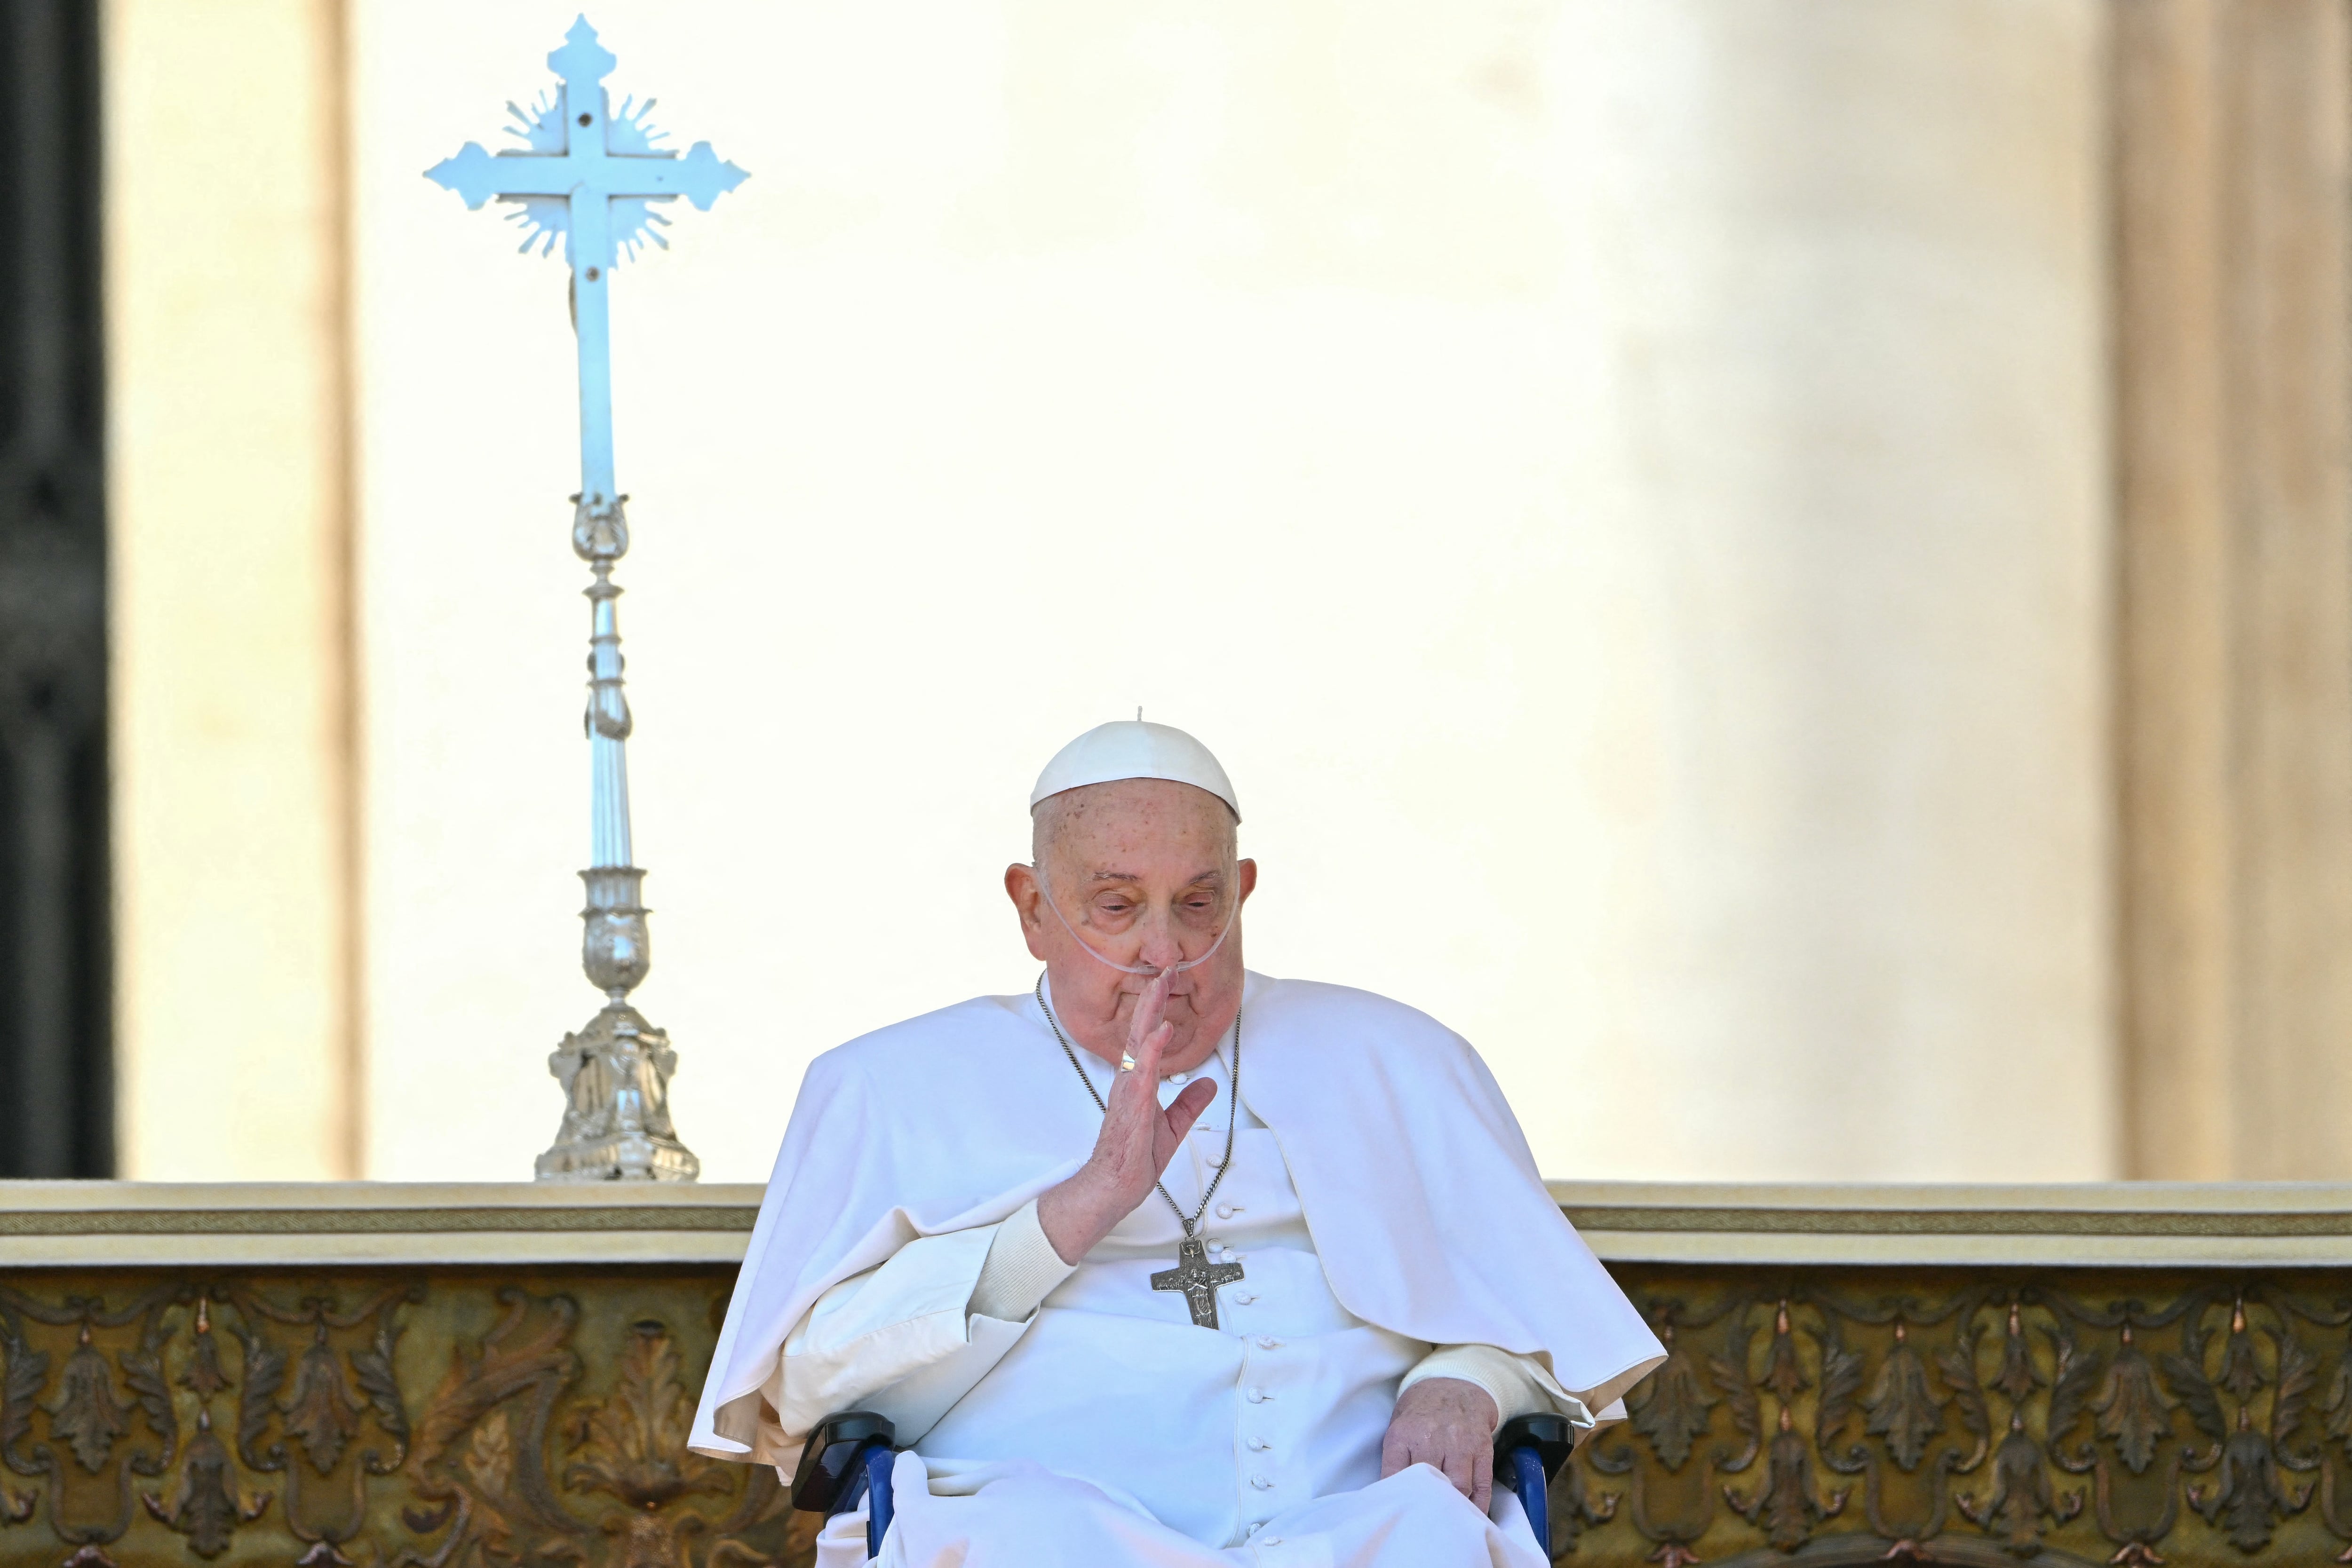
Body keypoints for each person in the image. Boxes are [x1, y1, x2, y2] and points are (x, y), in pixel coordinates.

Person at [690, 721, 1663, 1567]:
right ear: (1033, 907)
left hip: (1354, 1524)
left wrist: (1470, 1378)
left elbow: (1545, 1323)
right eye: (1117, 905)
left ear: (1241, 889)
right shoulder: (885, 1085)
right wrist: (1072, 1214)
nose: (1167, 951)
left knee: (1430, 1538)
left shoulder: (1395, 1055)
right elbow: (804, 1385)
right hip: (1042, 1522)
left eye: (1199, 903)